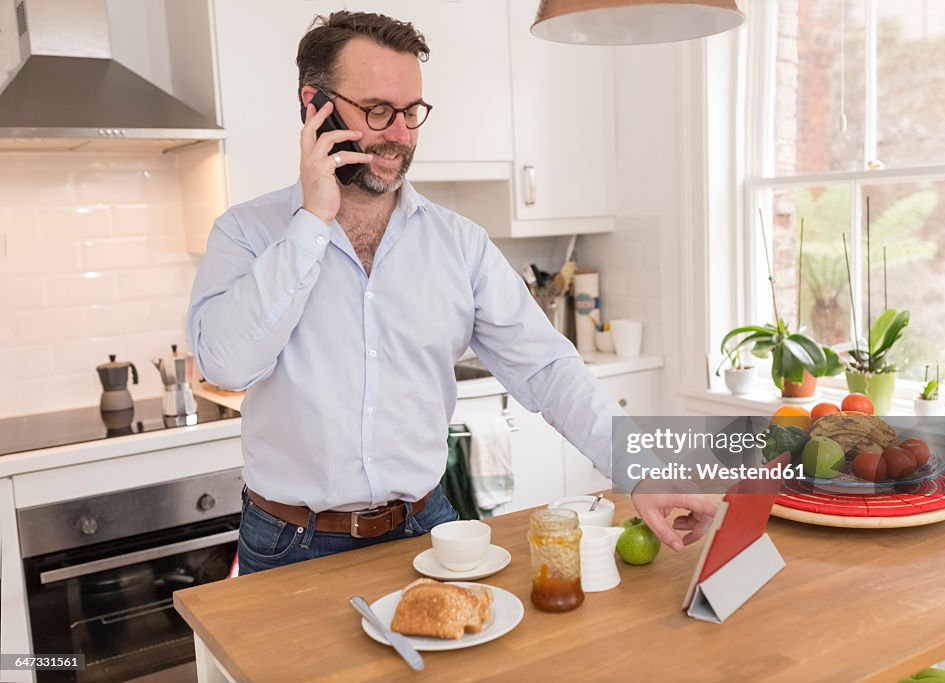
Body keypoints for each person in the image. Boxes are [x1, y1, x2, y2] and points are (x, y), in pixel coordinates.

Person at [186, 10, 717, 575]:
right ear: (314, 106)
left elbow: (548, 369)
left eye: (411, 112)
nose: (399, 135)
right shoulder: (248, 233)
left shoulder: (460, 245)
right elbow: (226, 364)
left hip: (426, 527)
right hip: (288, 542)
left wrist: (647, 470)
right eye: (377, 111)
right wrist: (312, 221)